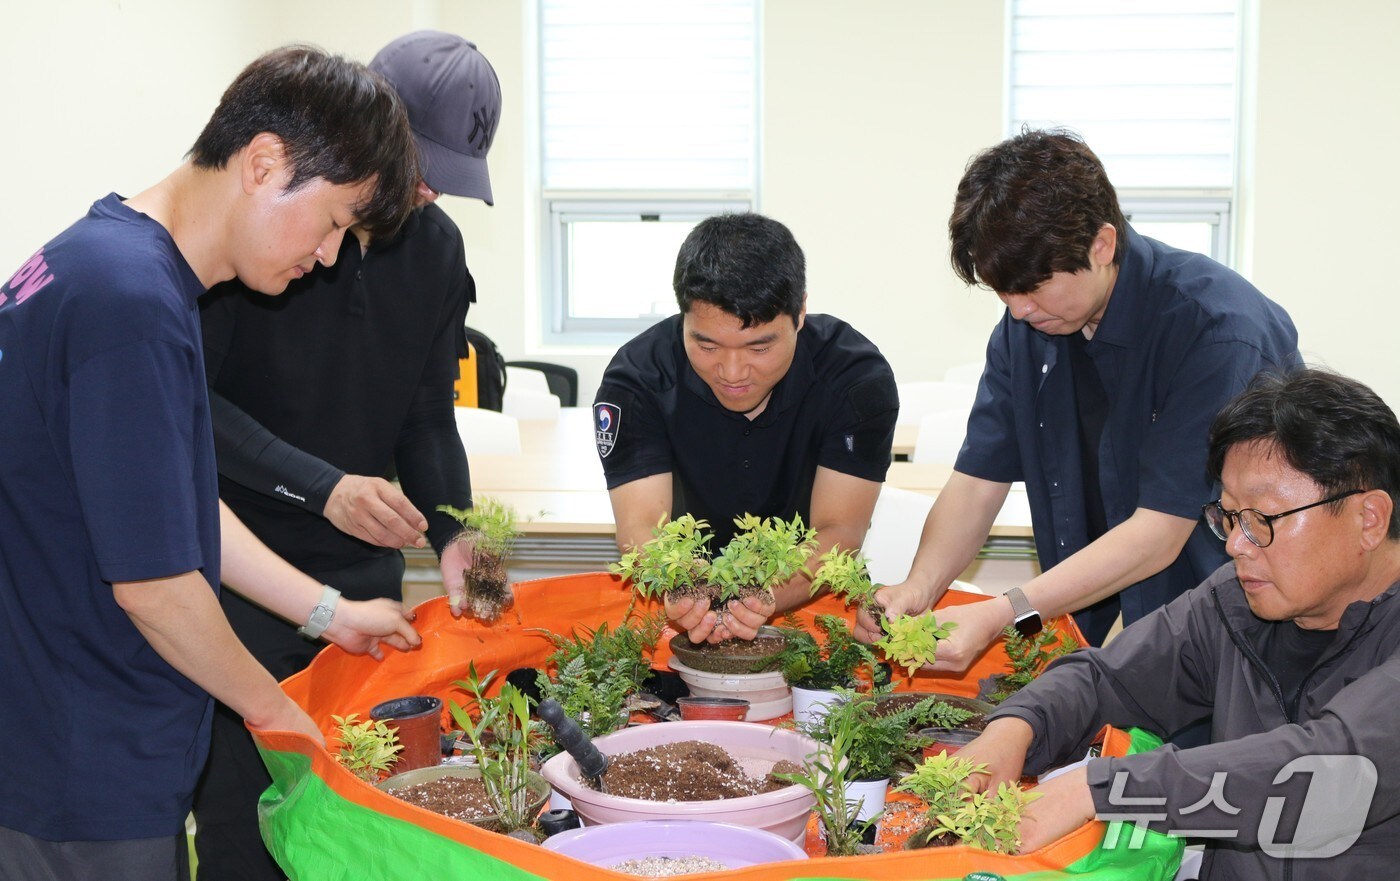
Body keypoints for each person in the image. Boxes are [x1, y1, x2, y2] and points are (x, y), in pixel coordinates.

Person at [0, 46, 422, 881]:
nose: (331, 256)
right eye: (335, 221)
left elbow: (172, 503)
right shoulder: (130, 306)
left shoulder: (102, 265)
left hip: (71, 742)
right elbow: (155, 585)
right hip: (81, 772)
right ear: (263, 163)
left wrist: (328, 612)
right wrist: (281, 717)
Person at [192, 31, 501, 881]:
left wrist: (456, 534)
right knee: (241, 830)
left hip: (366, 593)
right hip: (241, 575)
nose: (428, 188)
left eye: (447, 176)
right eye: (418, 163)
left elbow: (429, 420)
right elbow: (187, 409)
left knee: (363, 830)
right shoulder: (254, 236)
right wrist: (321, 486)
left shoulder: (435, 249)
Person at [856, 129, 1299, 670]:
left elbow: (1158, 534)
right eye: (1003, 291)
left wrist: (1004, 612)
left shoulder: (1216, 331)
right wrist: (918, 588)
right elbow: (976, 483)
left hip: (1243, 633)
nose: (1018, 309)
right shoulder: (1027, 330)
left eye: (1033, 287)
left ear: (1102, 245)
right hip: (1109, 627)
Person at [957, 368, 1400, 878]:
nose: (1236, 544)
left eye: (1263, 520)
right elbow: (1107, 677)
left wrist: (1098, 789)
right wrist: (1018, 725)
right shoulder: (1235, 604)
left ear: (1369, 520)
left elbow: (1326, 773)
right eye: (1230, 517)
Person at [594, 212, 899, 644]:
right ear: (683, 317)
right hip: (683, 610)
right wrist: (688, 589)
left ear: (800, 315)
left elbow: (839, 531)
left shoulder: (855, 380)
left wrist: (760, 598)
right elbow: (641, 525)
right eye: (706, 344)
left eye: (760, 346)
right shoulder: (639, 380)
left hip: (812, 601)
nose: (732, 372)